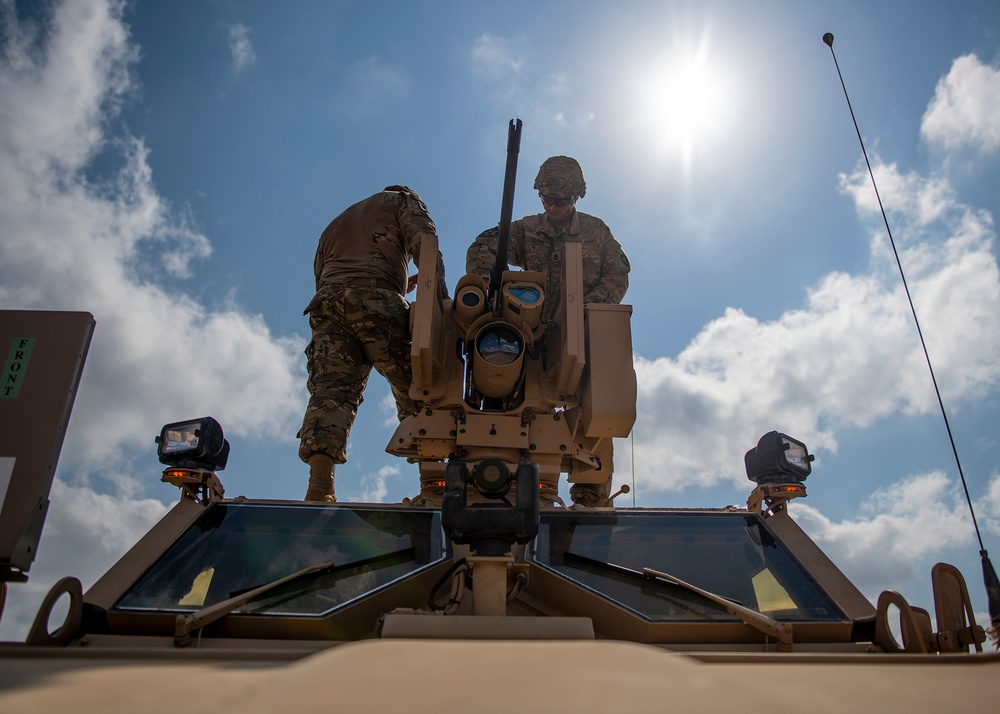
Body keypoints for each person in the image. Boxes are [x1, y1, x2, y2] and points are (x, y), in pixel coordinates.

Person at [465, 156, 630, 506]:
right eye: (548, 199)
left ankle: (590, 492)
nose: (555, 206)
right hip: (535, 333)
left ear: (577, 197)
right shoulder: (526, 229)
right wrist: (486, 283)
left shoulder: (595, 232)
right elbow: (485, 246)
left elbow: (618, 274)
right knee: (524, 403)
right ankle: (516, 480)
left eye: (563, 200)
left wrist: (586, 306)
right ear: (539, 195)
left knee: (594, 405)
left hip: (581, 330)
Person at [298, 186, 448, 502]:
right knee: (418, 386)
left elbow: (325, 276)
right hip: (376, 301)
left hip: (328, 305)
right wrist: (442, 300)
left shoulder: (335, 223)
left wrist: (390, 286)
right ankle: (432, 483)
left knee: (331, 394)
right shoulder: (402, 200)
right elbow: (426, 247)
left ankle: (320, 486)